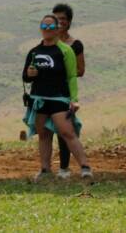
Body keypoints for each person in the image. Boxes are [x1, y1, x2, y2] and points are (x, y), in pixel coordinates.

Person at [23, 13, 92, 180]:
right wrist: (30, 74)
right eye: (44, 27)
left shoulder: (65, 50)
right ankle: (45, 170)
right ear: (40, 29)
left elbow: (72, 76)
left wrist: (74, 100)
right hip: (39, 100)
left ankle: (85, 167)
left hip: (59, 99)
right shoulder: (34, 51)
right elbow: (25, 78)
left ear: (57, 29)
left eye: (51, 27)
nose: (47, 30)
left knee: (67, 132)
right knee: (44, 134)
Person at [53, 3, 84, 178]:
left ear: (69, 21)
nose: (60, 22)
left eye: (63, 19)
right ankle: (46, 168)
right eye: (56, 18)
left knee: (64, 131)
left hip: (64, 93)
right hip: (47, 91)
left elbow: (81, 70)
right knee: (45, 130)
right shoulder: (47, 42)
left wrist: (63, 71)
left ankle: (64, 168)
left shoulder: (75, 45)